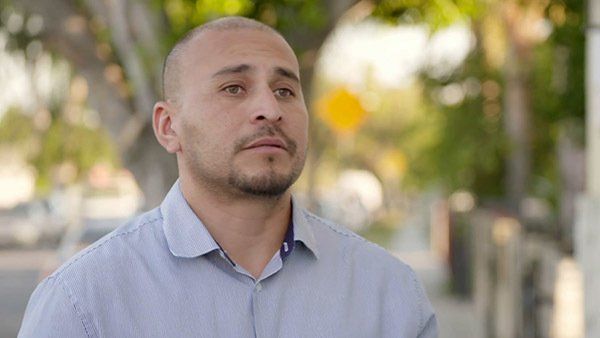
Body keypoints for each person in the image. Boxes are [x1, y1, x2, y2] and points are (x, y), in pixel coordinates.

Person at [19, 16, 437, 338]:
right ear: (168, 127)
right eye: (234, 88)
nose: (270, 109)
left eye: (285, 91)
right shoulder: (82, 303)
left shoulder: (390, 294)